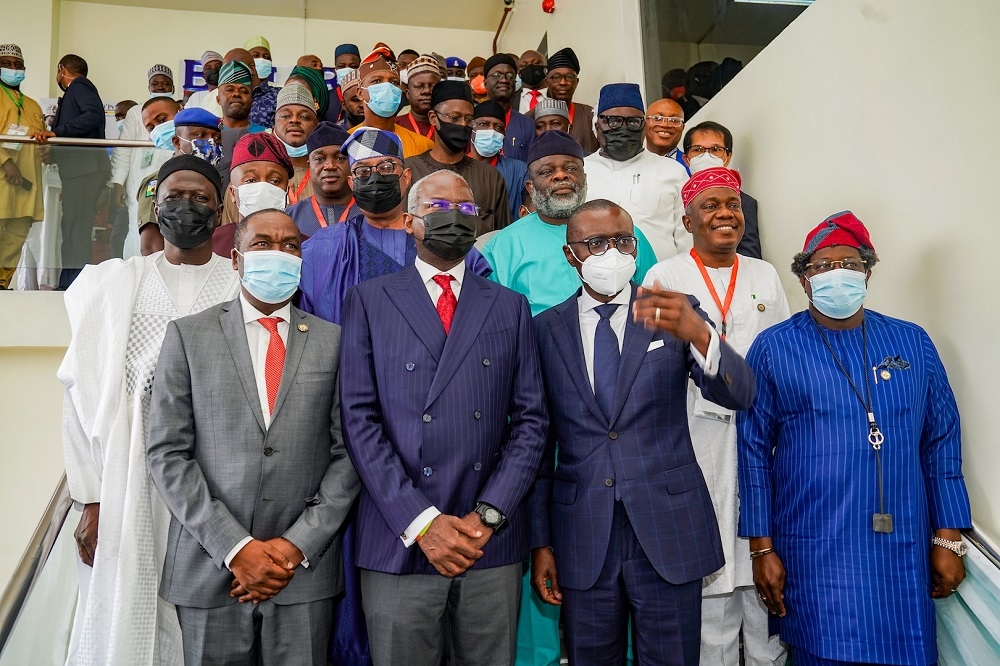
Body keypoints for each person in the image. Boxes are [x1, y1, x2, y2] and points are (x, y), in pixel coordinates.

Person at [738, 212, 972, 666]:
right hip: (813, 549)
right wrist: (761, 548)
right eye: (821, 267)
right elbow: (751, 453)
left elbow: (942, 442)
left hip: (901, 551)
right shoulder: (772, 348)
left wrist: (948, 538)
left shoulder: (912, 342)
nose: (835, 274)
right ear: (803, 281)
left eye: (848, 263)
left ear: (867, 272)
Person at [529, 197, 756, 665]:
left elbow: (741, 393)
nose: (612, 253)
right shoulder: (543, 331)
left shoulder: (675, 312)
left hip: (667, 528)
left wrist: (700, 333)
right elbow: (537, 442)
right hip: (583, 536)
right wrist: (540, 541)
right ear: (571, 255)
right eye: (596, 243)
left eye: (622, 241)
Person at [338, 169, 547, 666]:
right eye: (439, 207)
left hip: (487, 542)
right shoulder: (370, 299)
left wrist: (488, 515)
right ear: (410, 222)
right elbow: (358, 419)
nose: (455, 217)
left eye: (467, 209)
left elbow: (532, 421)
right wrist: (422, 522)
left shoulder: (510, 306)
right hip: (400, 535)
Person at [146, 207, 360, 665]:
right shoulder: (188, 335)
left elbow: (349, 455)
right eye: (263, 244)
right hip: (210, 569)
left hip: (302, 573)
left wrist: (293, 545)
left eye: (290, 246)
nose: (278, 254)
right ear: (237, 259)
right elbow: (167, 453)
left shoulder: (335, 340)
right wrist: (235, 548)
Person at [59, 154, 240, 666]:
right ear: (154, 207)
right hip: (128, 475)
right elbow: (78, 394)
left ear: (220, 209)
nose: (187, 206)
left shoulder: (237, 281)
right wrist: (91, 499)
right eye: (174, 196)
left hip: (216, 476)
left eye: (200, 197)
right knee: (129, 602)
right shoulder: (114, 282)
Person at [642, 167, 790, 666]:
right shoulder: (664, 276)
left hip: (764, 436)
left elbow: (785, 353)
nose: (725, 213)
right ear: (687, 219)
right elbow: (656, 365)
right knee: (713, 590)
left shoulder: (765, 273)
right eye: (711, 205)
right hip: (696, 435)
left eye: (732, 204)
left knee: (766, 583)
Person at [300, 126, 491, 324]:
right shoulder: (323, 247)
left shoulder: (446, 237)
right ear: (351, 183)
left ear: (406, 177)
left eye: (386, 168)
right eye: (363, 171)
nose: (375, 178)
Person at [482, 130, 658, 316]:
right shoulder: (502, 247)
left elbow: (654, 300)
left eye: (571, 169)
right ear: (530, 188)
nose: (560, 176)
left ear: (585, 179)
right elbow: (493, 318)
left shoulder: (626, 235)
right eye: (547, 171)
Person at [585, 83, 689, 262]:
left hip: (661, 284)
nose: (624, 129)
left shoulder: (673, 171)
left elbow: (687, 239)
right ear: (597, 125)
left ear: (644, 125)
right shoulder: (581, 171)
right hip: (595, 283)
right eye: (614, 121)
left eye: (633, 122)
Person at [34, 54, 110, 289]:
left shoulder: (79, 86)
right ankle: (69, 282)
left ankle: (73, 285)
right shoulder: (78, 90)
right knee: (73, 228)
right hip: (79, 170)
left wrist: (58, 132)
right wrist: (55, 152)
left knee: (76, 230)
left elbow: (94, 115)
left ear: (62, 70)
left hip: (84, 170)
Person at [405, 81, 511, 235]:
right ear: (433, 118)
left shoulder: (490, 176)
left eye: (468, 120)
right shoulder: (409, 172)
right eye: (454, 118)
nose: (462, 125)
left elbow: (502, 237)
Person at [134, 107, 223, 257]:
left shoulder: (221, 181)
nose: (210, 142)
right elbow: (150, 247)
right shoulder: (158, 183)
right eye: (201, 136)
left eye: (216, 138)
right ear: (177, 142)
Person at [0, 43, 45, 289]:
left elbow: (38, 138)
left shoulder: (33, 105)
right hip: (3, 181)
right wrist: (6, 162)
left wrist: (48, 147)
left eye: (18, 65)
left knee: (15, 239)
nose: (13, 69)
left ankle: (2, 284)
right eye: (6, 65)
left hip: (27, 184)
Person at [683, 121, 761, 259]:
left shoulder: (744, 203)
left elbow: (750, 258)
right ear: (686, 159)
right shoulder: (673, 197)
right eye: (698, 149)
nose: (706, 156)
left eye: (715, 149)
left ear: (728, 157)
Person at [215, 132, 293, 258]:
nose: (263, 188)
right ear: (233, 193)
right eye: (250, 180)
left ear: (287, 191)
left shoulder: (305, 245)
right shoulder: (213, 245)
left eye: (274, 181)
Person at [351, 46, 434, 158]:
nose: (387, 87)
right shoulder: (346, 140)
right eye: (376, 81)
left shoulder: (423, 145)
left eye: (394, 82)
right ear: (360, 93)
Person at [284, 121, 360, 238]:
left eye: (340, 158)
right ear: (309, 165)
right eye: (320, 159)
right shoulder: (290, 217)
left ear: (352, 163)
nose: (330, 165)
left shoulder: (369, 213)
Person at [468, 100, 528, 224]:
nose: (491, 131)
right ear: (471, 127)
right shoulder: (456, 168)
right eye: (484, 124)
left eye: (498, 127)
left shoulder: (519, 171)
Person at [543, 48, 598, 154]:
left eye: (569, 77)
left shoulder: (590, 114)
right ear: (547, 82)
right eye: (556, 77)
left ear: (576, 82)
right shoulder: (532, 117)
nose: (563, 82)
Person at [273, 82, 319, 206]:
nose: (294, 120)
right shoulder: (257, 169)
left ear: (316, 125)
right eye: (285, 116)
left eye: (304, 117)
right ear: (274, 123)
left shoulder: (328, 172)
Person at [483, 53, 534, 162]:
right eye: (497, 75)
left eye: (510, 76)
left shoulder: (528, 125)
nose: (504, 80)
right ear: (485, 83)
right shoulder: (473, 120)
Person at [395, 55, 439, 139]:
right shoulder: (395, 126)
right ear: (408, 93)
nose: (426, 91)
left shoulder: (447, 126)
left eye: (432, 86)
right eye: (419, 86)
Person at [240, 36, 278, 128]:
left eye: (266, 57)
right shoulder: (232, 93)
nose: (262, 60)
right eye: (256, 56)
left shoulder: (279, 93)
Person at [644, 97, 687, 171]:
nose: (665, 125)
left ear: (682, 128)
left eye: (674, 120)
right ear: (644, 124)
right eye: (657, 119)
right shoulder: (629, 164)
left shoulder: (692, 167)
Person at [186, 51, 224, 117]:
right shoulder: (196, 97)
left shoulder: (231, 93)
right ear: (203, 75)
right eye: (208, 68)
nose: (214, 70)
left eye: (218, 67)